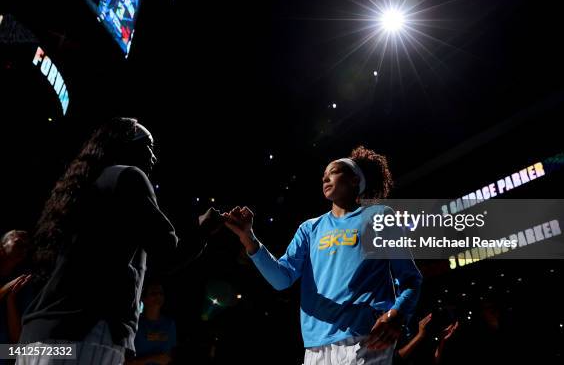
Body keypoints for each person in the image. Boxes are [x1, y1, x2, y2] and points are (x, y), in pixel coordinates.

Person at [18, 117, 223, 364]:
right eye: (148, 146)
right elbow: (169, 255)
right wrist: (203, 230)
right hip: (86, 333)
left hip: (35, 341)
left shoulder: (78, 189)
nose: (154, 157)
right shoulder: (128, 177)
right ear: (127, 145)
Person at [225, 146, 422, 365]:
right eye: (323, 175)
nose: (325, 177)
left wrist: (397, 313)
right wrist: (248, 237)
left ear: (355, 179)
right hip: (316, 345)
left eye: (334, 171)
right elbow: (281, 279)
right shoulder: (309, 229)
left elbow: (411, 279)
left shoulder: (379, 215)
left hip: (365, 338)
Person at [1, 230, 32, 365]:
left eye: (27, 246)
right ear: (2, 247)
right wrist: (6, 288)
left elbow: (17, 341)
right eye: (18, 243)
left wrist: (10, 300)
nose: (24, 249)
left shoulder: (23, 285)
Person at [127, 281, 176, 365]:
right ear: (143, 298)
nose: (158, 295)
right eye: (153, 293)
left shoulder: (169, 324)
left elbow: (167, 358)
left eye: (161, 293)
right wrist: (154, 358)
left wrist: (141, 361)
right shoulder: (135, 323)